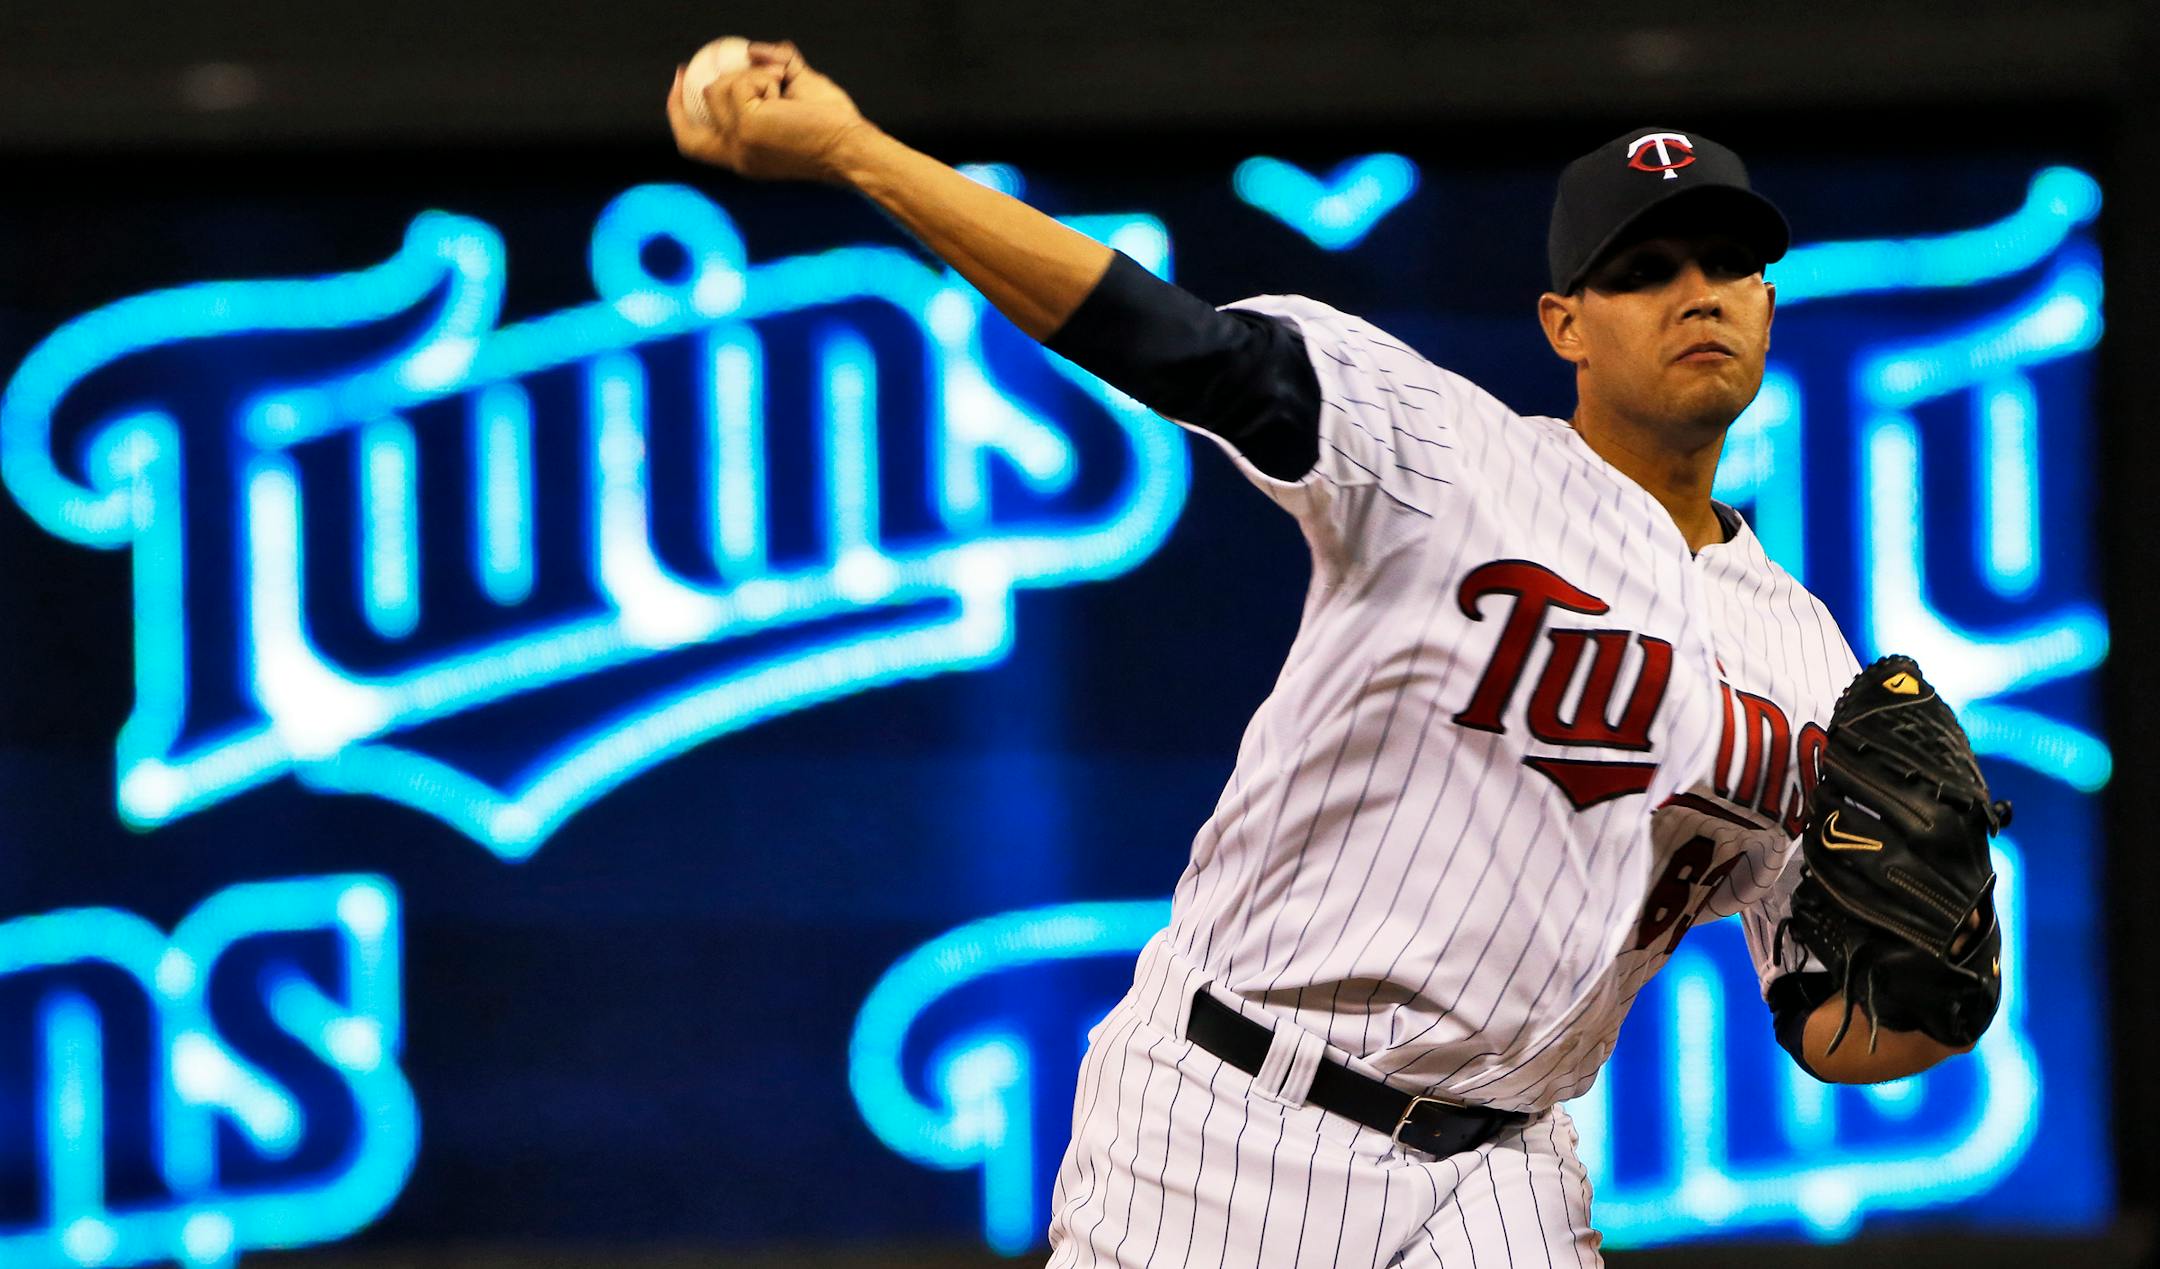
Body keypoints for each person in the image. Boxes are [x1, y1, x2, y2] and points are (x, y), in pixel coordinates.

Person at [667, 45, 1985, 1267]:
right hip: (1231, 1113)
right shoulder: (1449, 462)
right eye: (1643, 270)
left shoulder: (1809, 655)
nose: (1695, 293)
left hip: (1506, 1162)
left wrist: (1941, 993)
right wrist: (858, 151)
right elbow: (1170, 340)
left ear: (1765, 299)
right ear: (1564, 324)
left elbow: (1827, 1017)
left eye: (1726, 264)